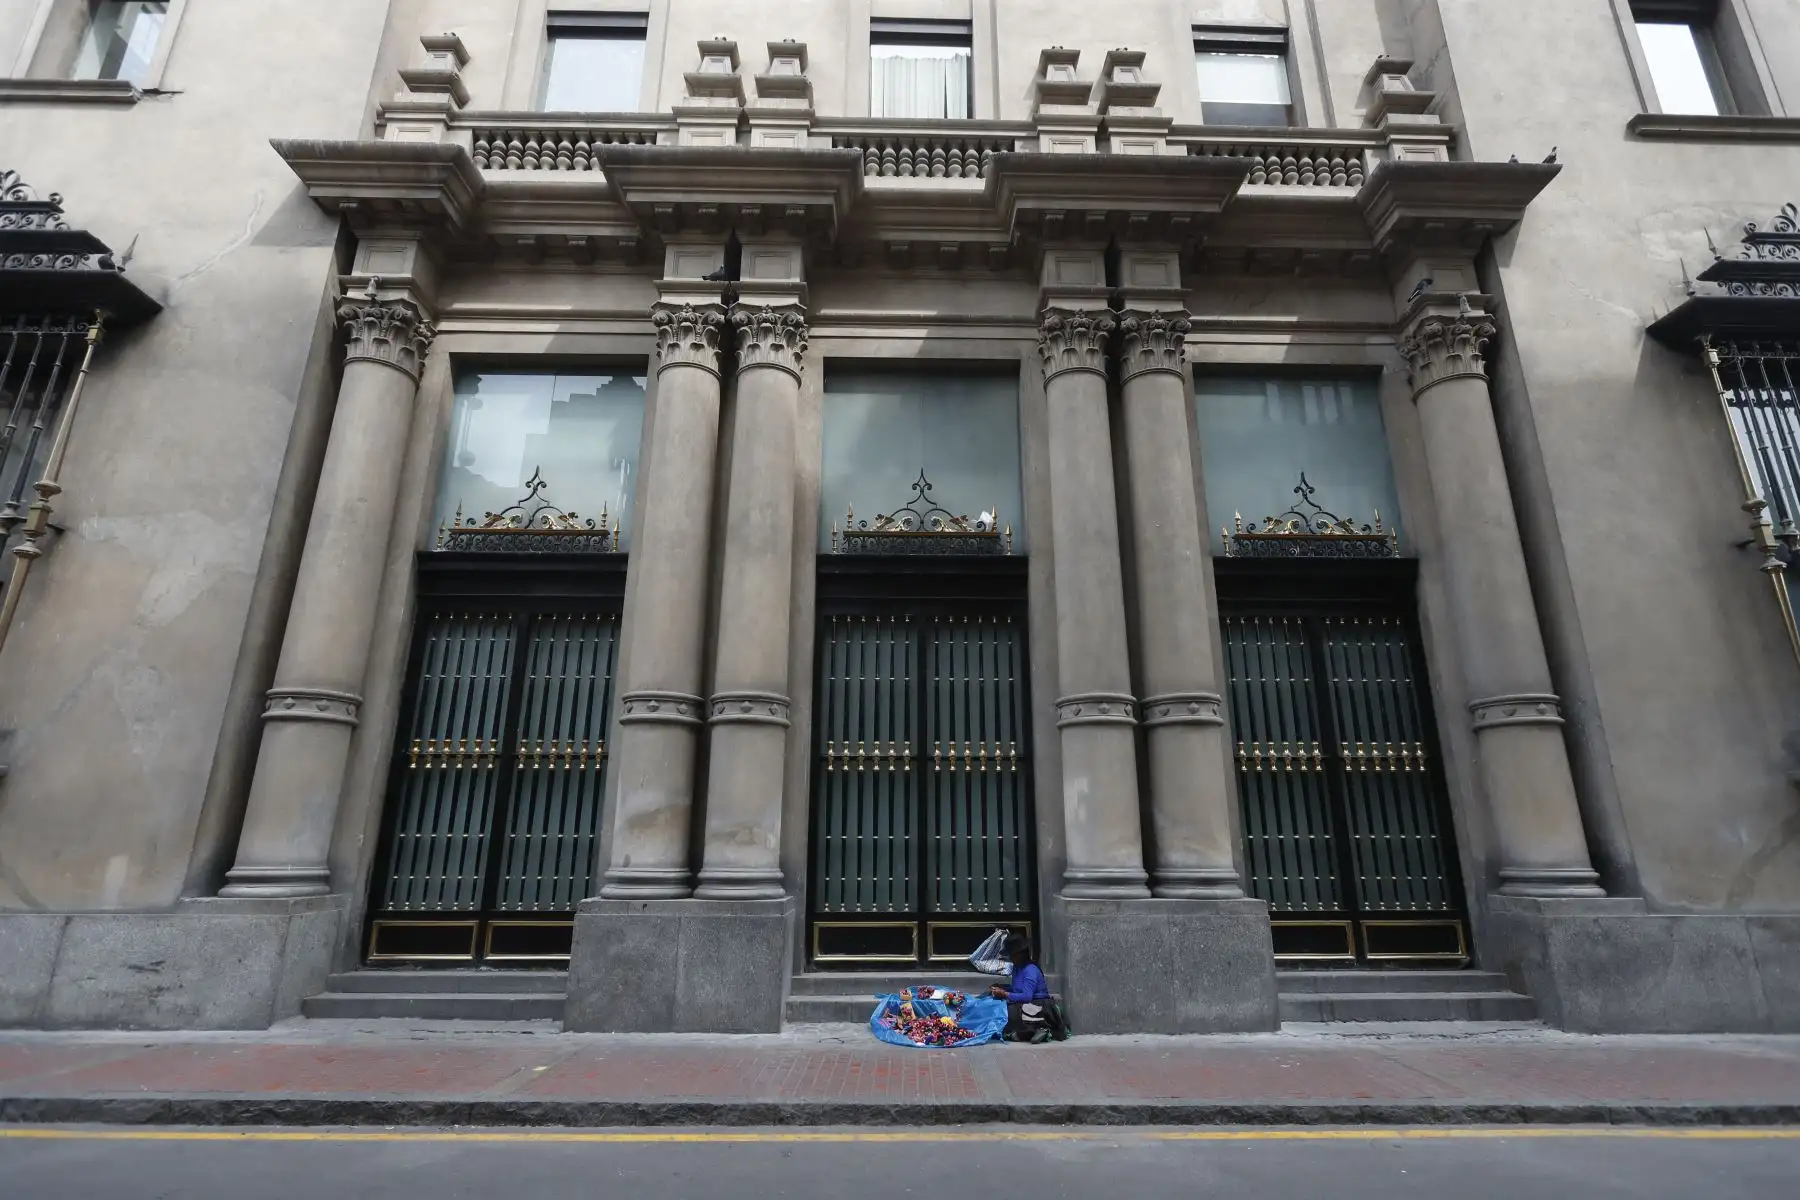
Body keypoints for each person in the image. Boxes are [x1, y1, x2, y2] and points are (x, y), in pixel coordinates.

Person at [988, 936, 1052, 1043]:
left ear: (1021, 954)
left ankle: (1038, 1028)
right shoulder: (1017, 967)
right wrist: (1002, 987)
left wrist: (1005, 994)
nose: (1010, 958)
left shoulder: (1031, 970)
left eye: (1012, 955)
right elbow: (1017, 989)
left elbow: (1027, 996)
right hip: (1024, 1002)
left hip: (1037, 1004)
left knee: (1008, 1011)